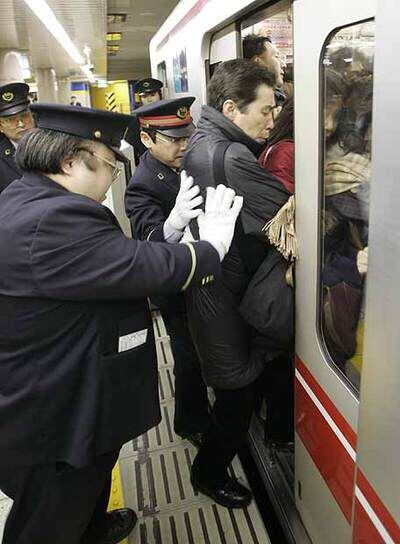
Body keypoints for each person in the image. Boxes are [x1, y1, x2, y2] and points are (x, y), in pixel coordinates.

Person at [0, 102, 243, 544]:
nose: (113, 177)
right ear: (71, 161)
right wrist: (209, 249)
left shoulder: (31, 197)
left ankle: (92, 528)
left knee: (85, 484)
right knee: (47, 520)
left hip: (69, 387)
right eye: (110, 167)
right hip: (57, 411)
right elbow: (134, 266)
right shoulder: (51, 219)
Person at [182, 59, 293, 507]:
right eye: (265, 111)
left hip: (217, 289)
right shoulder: (230, 155)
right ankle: (208, 473)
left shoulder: (206, 140)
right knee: (236, 395)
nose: (273, 120)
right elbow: (283, 207)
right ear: (231, 108)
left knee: (250, 380)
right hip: (221, 299)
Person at [125, 97, 211, 448]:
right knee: (188, 356)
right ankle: (191, 423)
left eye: (186, 136)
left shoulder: (189, 160)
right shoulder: (143, 184)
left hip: (205, 274)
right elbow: (150, 243)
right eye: (173, 139)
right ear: (146, 139)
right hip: (176, 289)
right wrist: (174, 222)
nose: (183, 145)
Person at [0, 82, 34, 193]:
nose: (20, 124)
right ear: (0, 127)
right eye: (11, 120)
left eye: (24, 116)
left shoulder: (51, 143)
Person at [242, 33, 286, 103]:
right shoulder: (250, 101)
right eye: (276, 57)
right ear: (257, 62)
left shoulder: (278, 96)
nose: (284, 65)